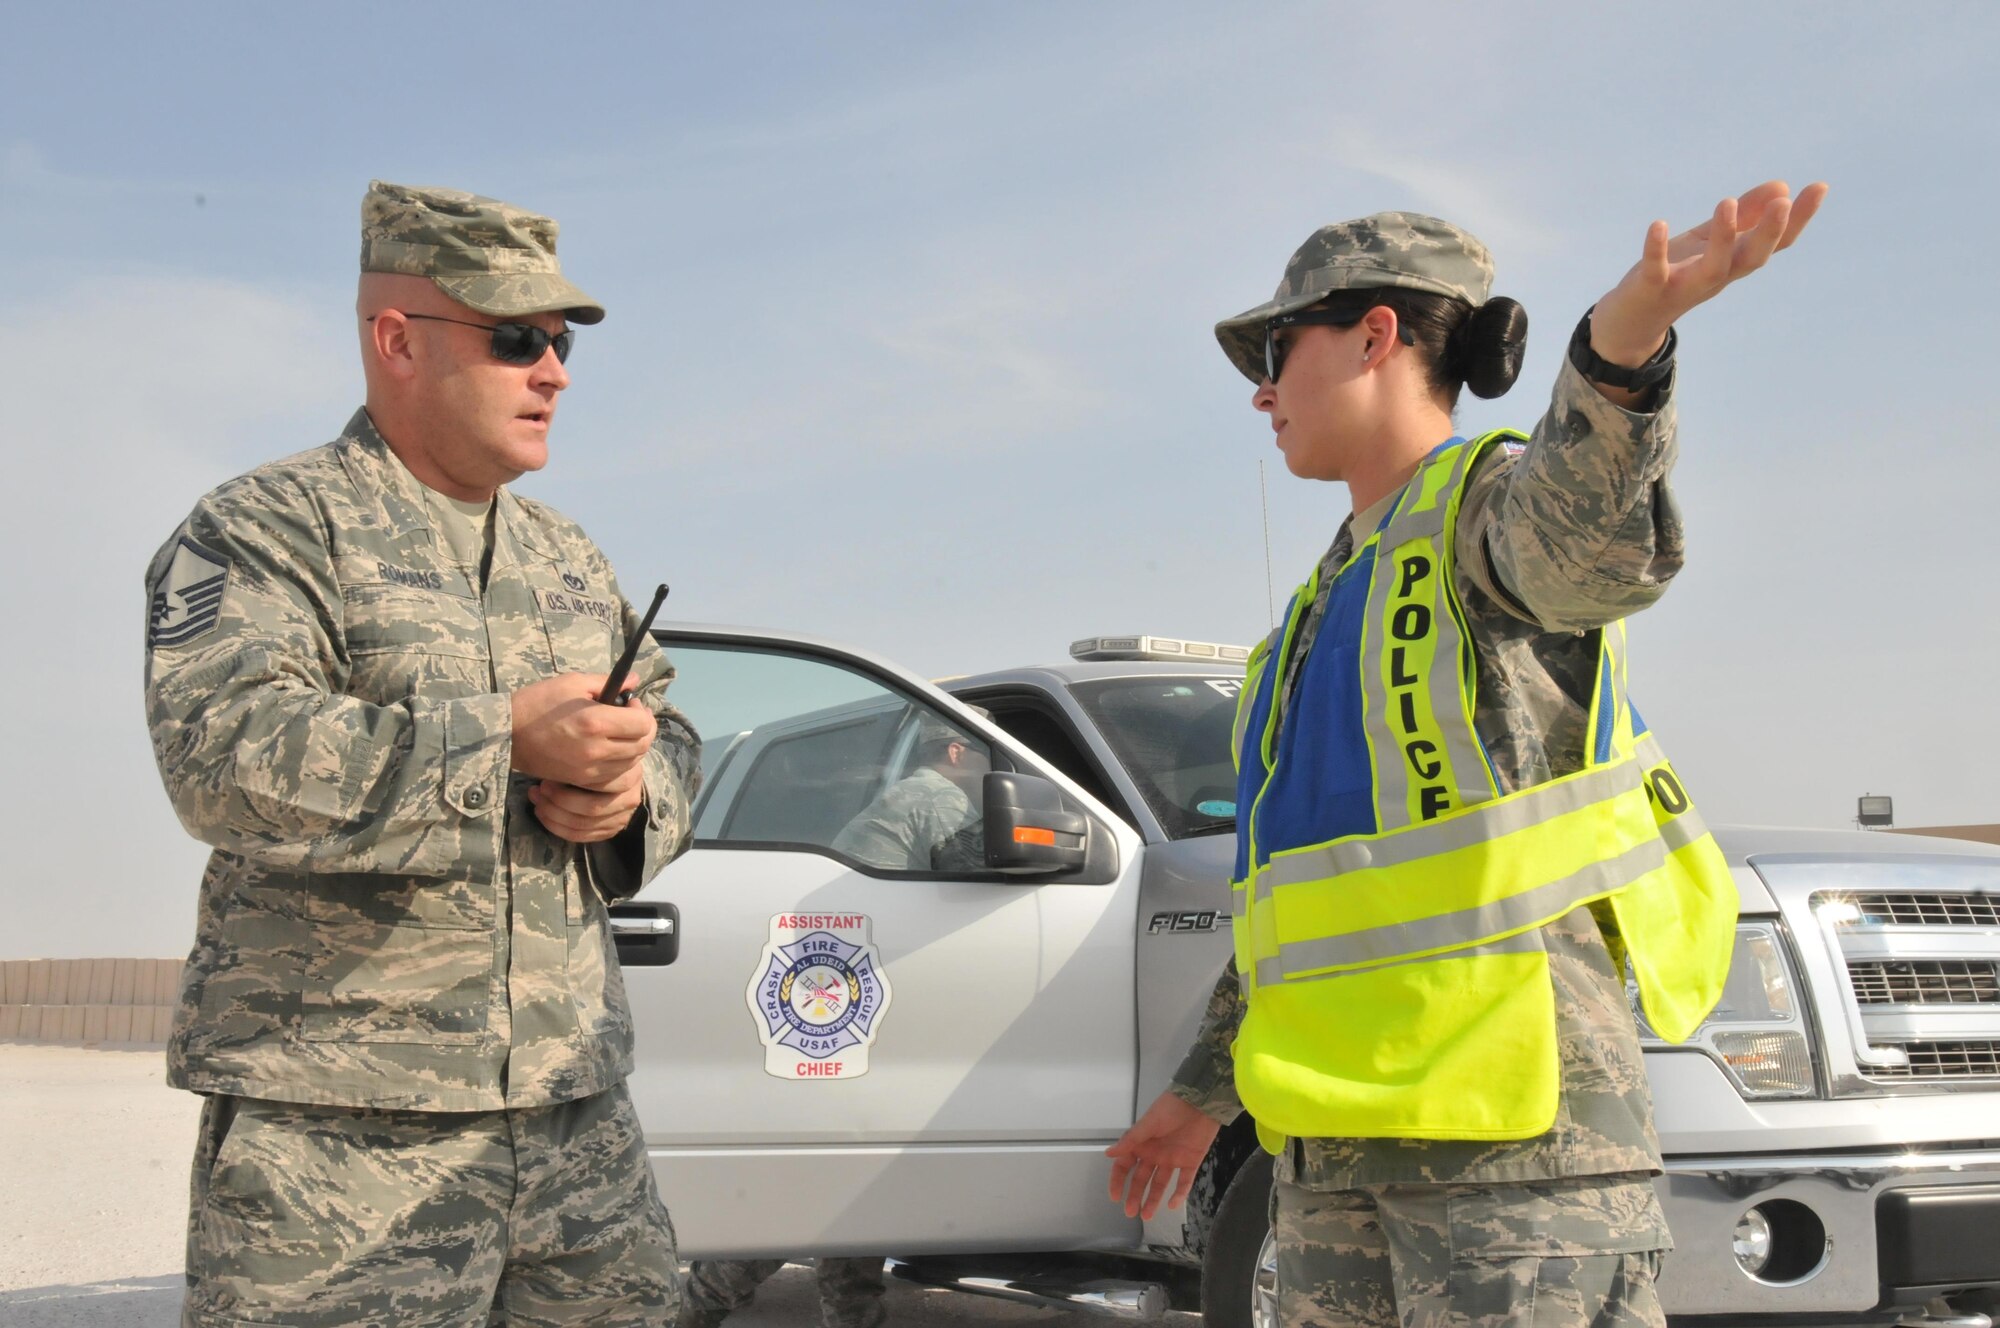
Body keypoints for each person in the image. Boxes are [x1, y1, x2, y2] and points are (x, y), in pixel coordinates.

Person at [1105, 183, 1826, 1328]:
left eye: (1278, 347)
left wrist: (1621, 349)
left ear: (1374, 334)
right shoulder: (1309, 617)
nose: (1260, 389)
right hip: (1335, 1159)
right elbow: (1298, 909)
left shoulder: (1478, 515)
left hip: (1517, 1161)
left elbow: (1582, 543)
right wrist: (1198, 1093)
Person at [144, 181, 704, 1328]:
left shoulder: (566, 558)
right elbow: (223, 755)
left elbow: (672, 732)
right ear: (396, 339)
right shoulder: (268, 526)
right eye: (514, 339)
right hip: (341, 1132)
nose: (552, 370)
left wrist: (625, 792)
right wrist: (502, 735)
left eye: (557, 342)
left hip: (570, 1114)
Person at [678, 718, 991, 1328]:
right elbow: (987, 878)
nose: (994, 775)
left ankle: (840, 1315)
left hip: (846, 983)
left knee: (852, 1183)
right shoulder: (938, 797)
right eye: (985, 757)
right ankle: (695, 1308)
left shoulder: (900, 801)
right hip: (859, 989)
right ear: (955, 751)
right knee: (818, 1191)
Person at [830, 718, 990, 871]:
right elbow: (980, 878)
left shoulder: (918, 789)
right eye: (988, 753)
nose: (992, 764)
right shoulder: (940, 796)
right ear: (956, 753)